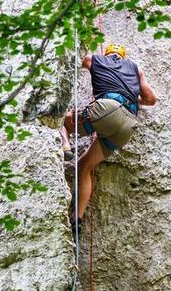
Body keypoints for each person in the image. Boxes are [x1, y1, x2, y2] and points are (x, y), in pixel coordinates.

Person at [60, 43, 157, 233]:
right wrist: (131, 97)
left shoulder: (95, 59)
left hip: (108, 109)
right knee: (85, 165)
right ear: (123, 56)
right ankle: (77, 219)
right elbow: (151, 99)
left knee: (61, 119)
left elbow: (75, 58)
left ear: (108, 54)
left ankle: (65, 145)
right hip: (127, 125)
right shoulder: (137, 69)